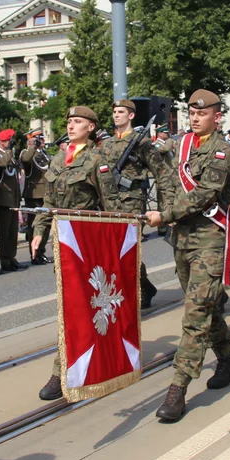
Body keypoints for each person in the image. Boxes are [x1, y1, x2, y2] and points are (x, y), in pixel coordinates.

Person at [145, 90, 230, 421]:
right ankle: (228, 361)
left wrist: (165, 215)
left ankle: (179, 387)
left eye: (202, 113)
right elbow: (164, 176)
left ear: (217, 116)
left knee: (195, 313)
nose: (195, 117)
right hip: (182, 238)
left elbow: (205, 195)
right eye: (191, 112)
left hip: (209, 238)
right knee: (207, 307)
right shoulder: (181, 145)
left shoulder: (222, 152)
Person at [30, 106, 121, 401]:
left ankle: (62, 372)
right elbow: (48, 202)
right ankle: (69, 367)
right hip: (64, 243)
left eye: (78, 122)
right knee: (70, 306)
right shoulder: (57, 160)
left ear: (91, 127)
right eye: (69, 121)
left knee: (85, 306)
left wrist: (116, 245)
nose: (71, 126)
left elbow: (111, 207)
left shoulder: (98, 161)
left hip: (88, 243)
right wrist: (38, 232)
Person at [98, 99, 172, 308]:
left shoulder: (141, 142)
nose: (116, 115)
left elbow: (162, 173)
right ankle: (144, 285)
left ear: (131, 115)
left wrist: (167, 206)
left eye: (121, 112)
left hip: (132, 200)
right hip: (110, 202)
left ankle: (136, 290)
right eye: (114, 112)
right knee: (114, 250)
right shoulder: (107, 144)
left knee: (129, 248)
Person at [0, 129, 23, 272]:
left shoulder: (10, 155)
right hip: (3, 198)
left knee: (13, 231)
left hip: (13, 197)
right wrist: (9, 152)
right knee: (4, 231)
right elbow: (1, 165)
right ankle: (4, 259)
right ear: (1, 142)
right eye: (8, 141)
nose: (10, 143)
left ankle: (12, 257)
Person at [20, 129, 50, 265]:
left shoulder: (44, 155)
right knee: (35, 225)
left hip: (45, 193)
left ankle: (41, 251)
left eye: (42, 139)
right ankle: (34, 253)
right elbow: (25, 160)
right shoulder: (27, 153)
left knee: (45, 225)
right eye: (39, 140)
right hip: (34, 194)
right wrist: (33, 147)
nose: (42, 142)